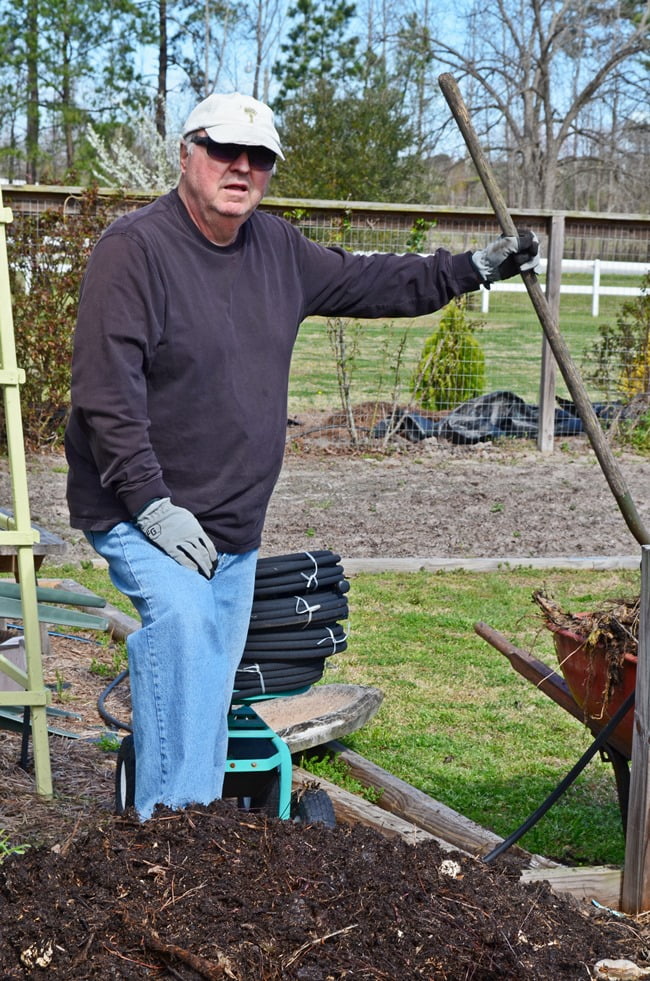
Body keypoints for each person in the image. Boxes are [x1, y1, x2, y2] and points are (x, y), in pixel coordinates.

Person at [65, 91, 540, 821]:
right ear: (187, 153)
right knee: (184, 638)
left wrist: (471, 268)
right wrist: (153, 506)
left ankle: (175, 829)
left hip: (232, 528)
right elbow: (106, 397)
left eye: (259, 158)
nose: (242, 168)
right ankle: (171, 840)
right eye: (226, 151)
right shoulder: (135, 252)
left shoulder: (278, 250)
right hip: (142, 510)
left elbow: (374, 280)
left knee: (205, 694)